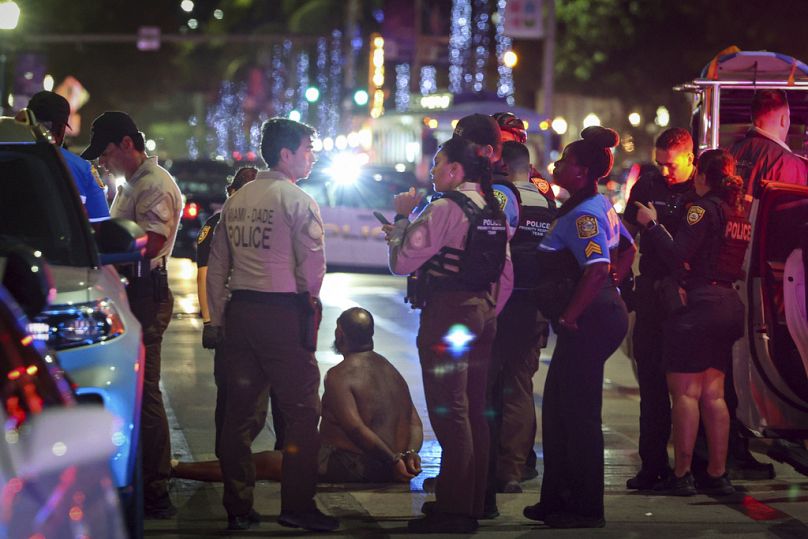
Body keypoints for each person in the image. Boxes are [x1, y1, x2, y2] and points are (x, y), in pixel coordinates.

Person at [205, 118, 338, 533]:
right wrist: (306, 303)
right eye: (306, 150)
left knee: (239, 417)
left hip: (241, 311)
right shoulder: (297, 201)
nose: (311, 156)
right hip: (282, 312)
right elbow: (313, 267)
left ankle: (238, 507)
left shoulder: (238, 199)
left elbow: (217, 268)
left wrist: (218, 316)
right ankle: (297, 505)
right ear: (286, 154)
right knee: (302, 412)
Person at [385, 135, 511, 533]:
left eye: (438, 164)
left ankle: (455, 511)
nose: (433, 171)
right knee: (475, 410)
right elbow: (505, 274)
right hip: (482, 314)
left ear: (456, 170)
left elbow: (403, 261)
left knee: (449, 409)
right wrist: (489, 311)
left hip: (450, 314)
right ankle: (471, 502)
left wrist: (401, 220)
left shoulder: (444, 208)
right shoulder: (492, 208)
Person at [523, 126, 634, 529]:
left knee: (579, 414)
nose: (558, 164)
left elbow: (598, 266)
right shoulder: (593, 204)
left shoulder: (587, 214)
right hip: (596, 313)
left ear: (583, 172)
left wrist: (572, 313)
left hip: (589, 321)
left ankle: (586, 509)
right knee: (557, 409)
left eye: (566, 161)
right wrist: (612, 285)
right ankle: (555, 499)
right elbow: (629, 246)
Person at [174, 307, 424, 483]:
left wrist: (392, 461)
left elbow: (355, 429)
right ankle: (176, 467)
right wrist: (409, 455)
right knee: (281, 457)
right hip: (391, 463)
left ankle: (175, 469)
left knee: (265, 463)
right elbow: (414, 421)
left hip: (358, 464)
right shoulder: (392, 371)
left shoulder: (339, 375)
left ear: (340, 334)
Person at [80, 111, 183, 518]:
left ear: (126, 144)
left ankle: (156, 488)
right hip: (129, 290)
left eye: (106, 153)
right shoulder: (134, 183)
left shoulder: (154, 185)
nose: (103, 162)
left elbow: (151, 241)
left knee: (145, 392)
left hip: (145, 293)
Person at [634, 149, 750, 496]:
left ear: (701, 175)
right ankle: (717, 473)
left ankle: (681, 474)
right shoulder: (737, 211)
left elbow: (677, 253)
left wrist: (652, 225)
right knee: (714, 394)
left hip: (699, 305)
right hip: (729, 304)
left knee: (686, 393)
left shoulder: (702, 208)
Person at [730, 89, 808, 476]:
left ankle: (735, 447)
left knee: (736, 367)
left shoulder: (735, 154)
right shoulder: (786, 163)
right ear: (784, 118)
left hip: (730, 272)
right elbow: (793, 230)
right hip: (771, 277)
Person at [621, 127, 700, 489]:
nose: (665, 171)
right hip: (652, 292)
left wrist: (654, 226)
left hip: (687, 297)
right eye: (660, 163)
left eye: (672, 164)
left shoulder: (700, 191)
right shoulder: (648, 186)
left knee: (688, 388)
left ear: (690, 157)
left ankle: (692, 466)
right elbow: (625, 234)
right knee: (651, 385)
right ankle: (652, 465)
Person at [486, 140, 555, 499]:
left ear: (502, 165)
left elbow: (491, 240)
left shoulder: (500, 194)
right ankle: (513, 468)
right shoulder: (547, 201)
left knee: (483, 385)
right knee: (519, 388)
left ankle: (482, 469)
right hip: (535, 306)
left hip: (503, 303)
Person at [196, 166, 268, 462]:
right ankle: (229, 460)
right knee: (231, 394)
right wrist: (210, 321)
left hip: (258, 316)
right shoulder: (217, 223)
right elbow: (205, 274)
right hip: (229, 316)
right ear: (232, 192)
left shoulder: (263, 220)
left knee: (258, 400)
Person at [27, 91, 110, 224]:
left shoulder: (7, 156)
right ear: (60, 128)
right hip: (62, 244)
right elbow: (100, 225)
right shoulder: (82, 169)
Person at [731, 89, 807, 202]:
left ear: (753, 118)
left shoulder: (730, 152)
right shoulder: (790, 164)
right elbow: (794, 214)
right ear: (784, 119)